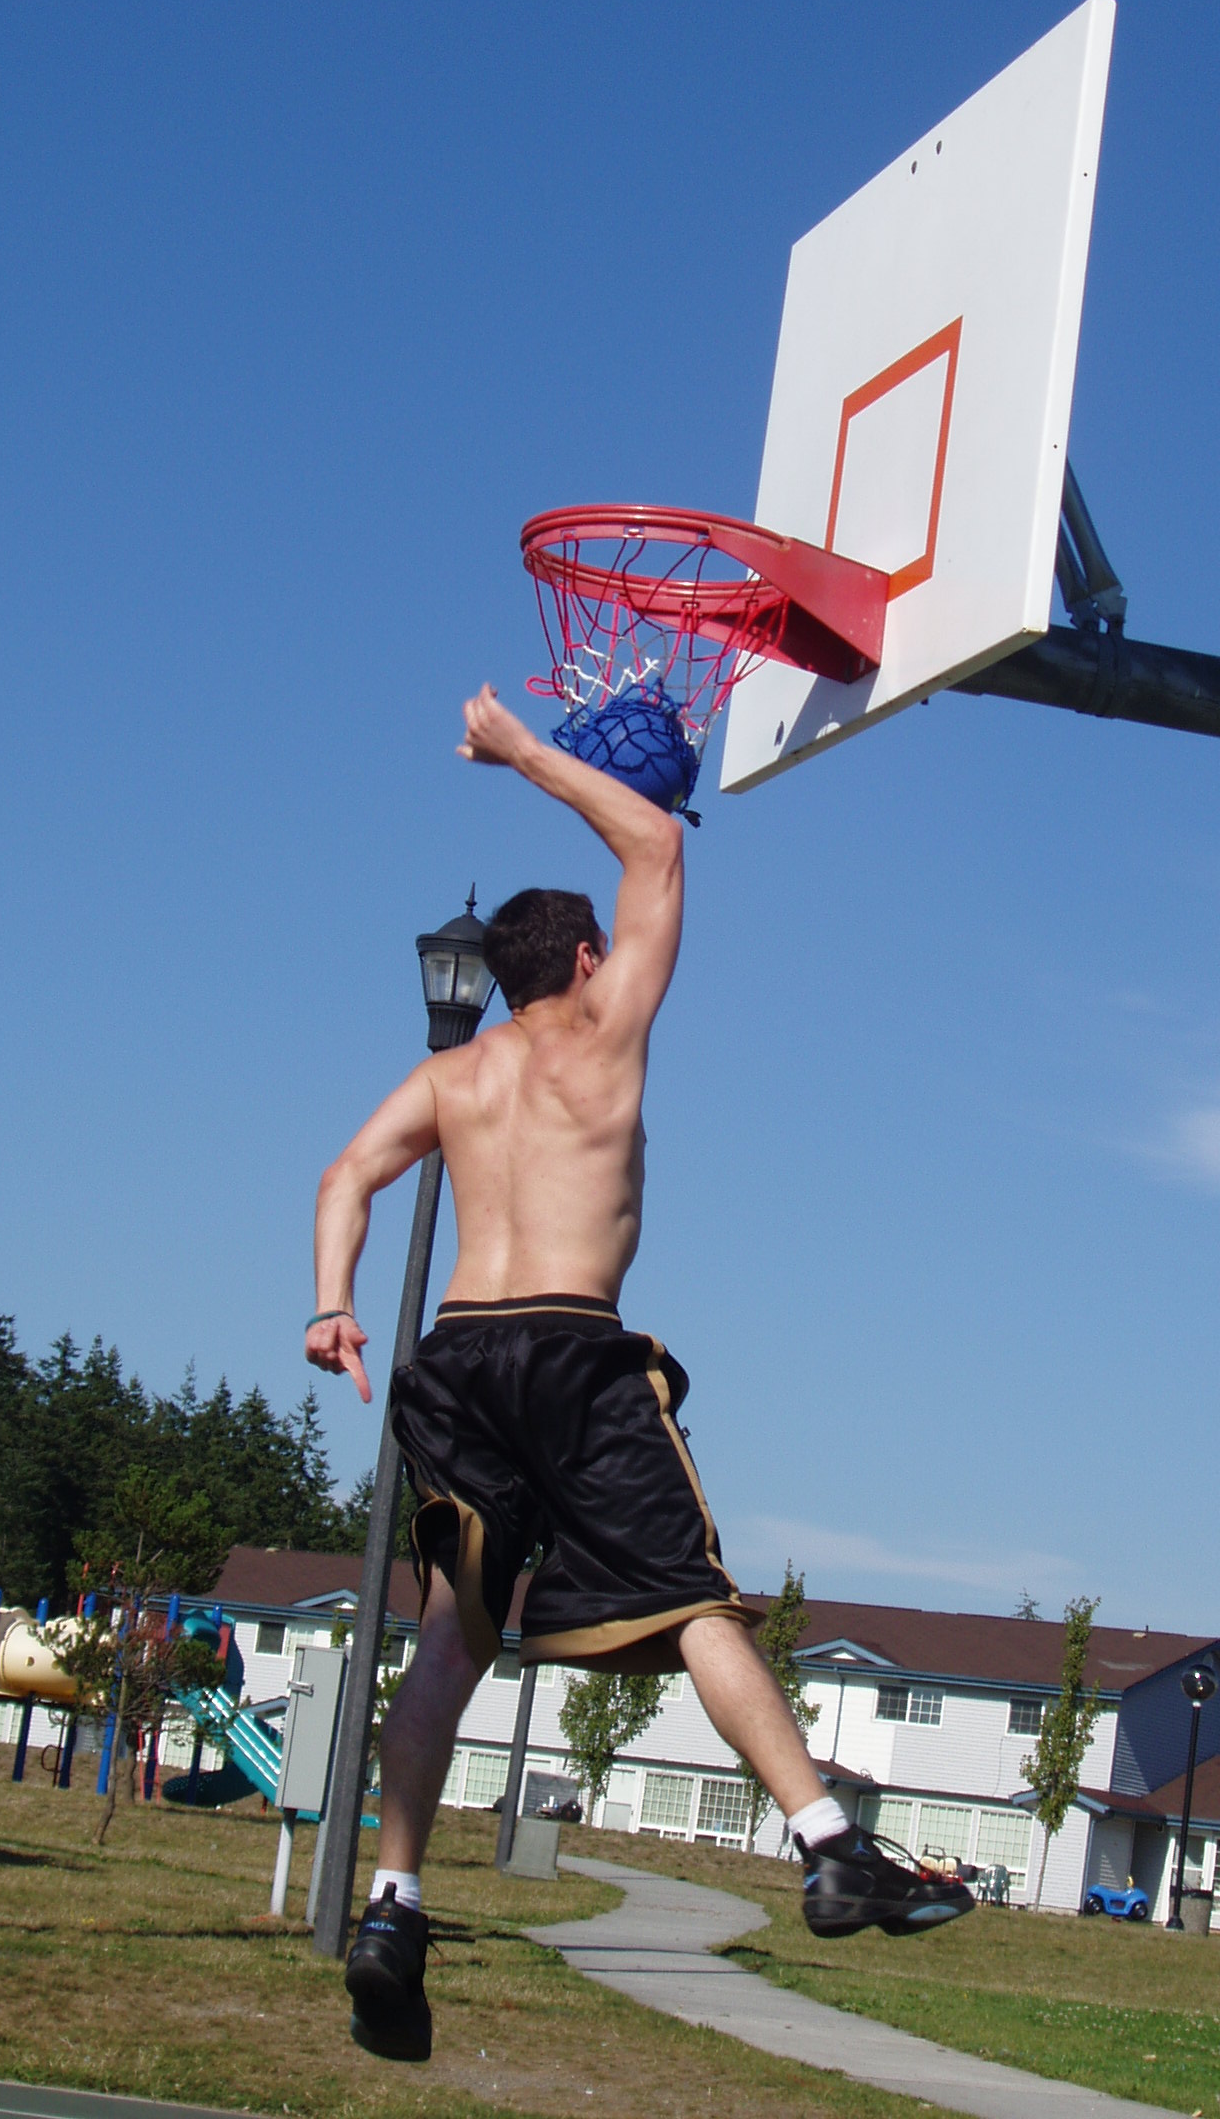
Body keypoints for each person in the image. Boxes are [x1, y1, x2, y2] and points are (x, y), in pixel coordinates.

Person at [307, 684, 971, 2061]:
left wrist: (332, 1307)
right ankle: (831, 1846)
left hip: (455, 1361)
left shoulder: (455, 1078)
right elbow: (661, 848)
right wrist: (524, 754)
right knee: (692, 1602)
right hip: (568, 1348)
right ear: (593, 959)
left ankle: (391, 1904)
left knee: (454, 1637)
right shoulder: (608, 1039)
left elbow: (345, 1176)